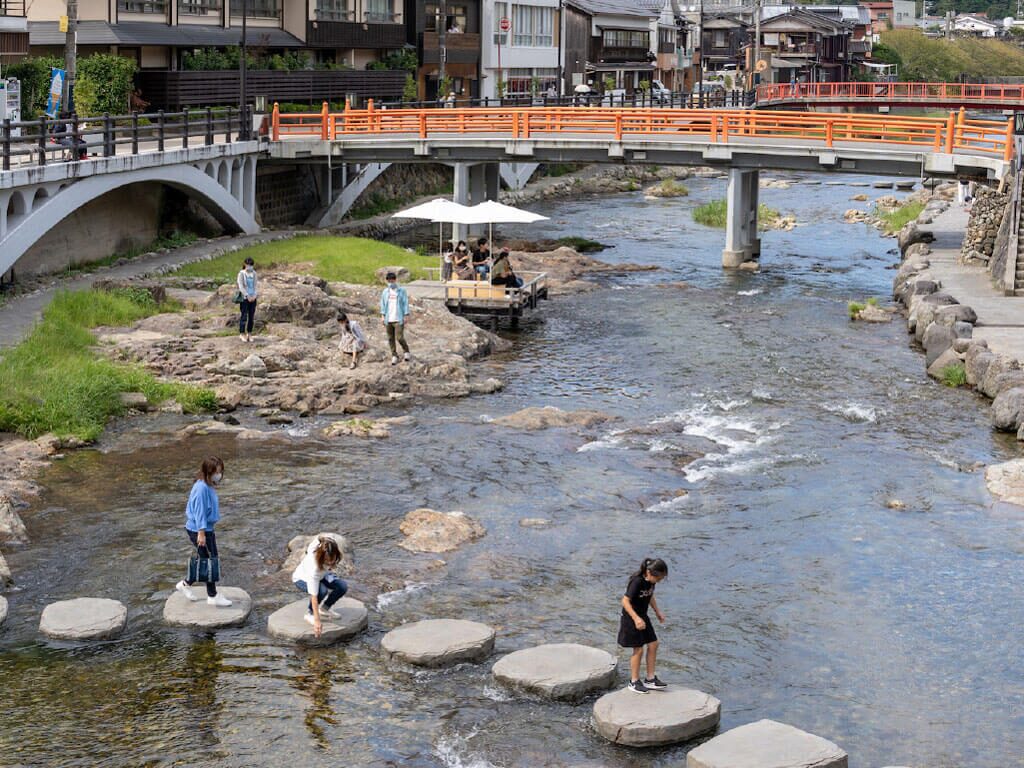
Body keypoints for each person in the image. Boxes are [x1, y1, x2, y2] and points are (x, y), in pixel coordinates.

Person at [176, 457, 233, 607]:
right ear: (209, 472)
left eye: (220, 472)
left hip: (205, 528)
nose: (219, 475)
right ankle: (212, 596)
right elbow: (199, 511)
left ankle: (186, 584)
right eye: (217, 472)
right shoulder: (201, 488)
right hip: (199, 530)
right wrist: (201, 533)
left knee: (206, 560)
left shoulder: (207, 484)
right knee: (210, 560)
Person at [618, 557, 668, 693]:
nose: (659, 581)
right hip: (631, 618)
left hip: (643, 616)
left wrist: (657, 612)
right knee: (638, 649)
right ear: (650, 573)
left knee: (653, 644)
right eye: (659, 579)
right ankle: (634, 682)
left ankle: (650, 679)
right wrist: (636, 618)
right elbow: (625, 601)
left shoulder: (651, 582)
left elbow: (650, 595)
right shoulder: (637, 582)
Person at [291, 535, 348, 638]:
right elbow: (314, 597)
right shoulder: (314, 569)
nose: (331, 563)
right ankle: (310, 614)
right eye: (327, 561)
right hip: (302, 578)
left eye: (333, 559)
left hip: (323, 575)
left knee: (342, 586)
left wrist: (324, 539)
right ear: (321, 558)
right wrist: (317, 621)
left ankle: (325, 609)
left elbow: (319, 538)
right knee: (322, 591)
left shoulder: (324, 544)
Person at [379, 271, 411, 365]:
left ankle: (406, 351)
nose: (390, 282)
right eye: (389, 281)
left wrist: (406, 314)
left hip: (398, 318)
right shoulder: (385, 292)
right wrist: (382, 315)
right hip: (388, 318)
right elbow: (383, 304)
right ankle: (394, 355)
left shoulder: (401, 291)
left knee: (400, 337)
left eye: (392, 280)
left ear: (395, 280)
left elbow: (405, 303)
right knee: (390, 338)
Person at [237, 256, 258, 343]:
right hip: (245, 298)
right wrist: (247, 296)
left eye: (251, 265)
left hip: (253, 297)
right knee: (244, 316)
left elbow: (255, 285)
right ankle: (242, 333)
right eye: (248, 265)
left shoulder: (254, 273)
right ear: (245, 264)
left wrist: (254, 296)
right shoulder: (241, 274)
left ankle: (249, 333)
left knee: (251, 317)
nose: (249, 266)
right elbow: (241, 286)